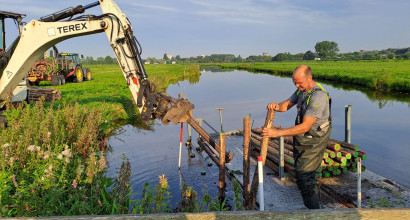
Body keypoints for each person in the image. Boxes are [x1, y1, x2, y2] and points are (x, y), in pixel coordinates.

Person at [261, 65, 331, 209]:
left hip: (314, 139)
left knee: (304, 177)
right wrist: (276, 106)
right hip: (303, 137)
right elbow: (287, 104)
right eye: (294, 83)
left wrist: (277, 133)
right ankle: (315, 205)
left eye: (299, 82)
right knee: (303, 175)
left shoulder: (318, 97)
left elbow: (305, 126)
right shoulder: (302, 90)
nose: (297, 85)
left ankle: (315, 213)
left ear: (309, 78)